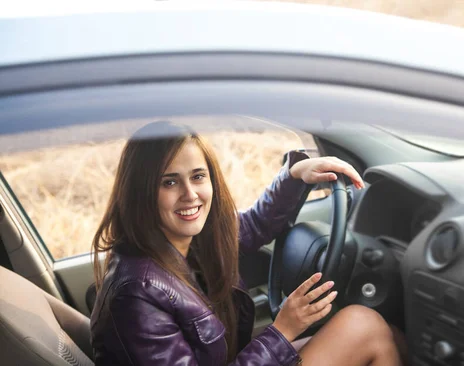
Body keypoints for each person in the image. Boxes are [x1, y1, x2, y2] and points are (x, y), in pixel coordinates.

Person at [90, 121, 402, 365]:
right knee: (365, 326)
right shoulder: (136, 293)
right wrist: (282, 331)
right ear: (140, 191)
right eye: (169, 182)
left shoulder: (186, 239)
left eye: (198, 177)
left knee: (391, 335)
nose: (190, 194)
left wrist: (295, 174)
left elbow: (251, 226)